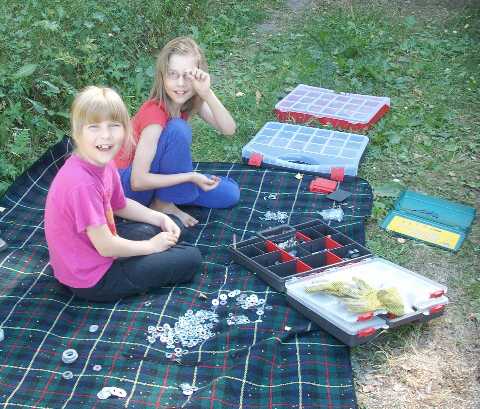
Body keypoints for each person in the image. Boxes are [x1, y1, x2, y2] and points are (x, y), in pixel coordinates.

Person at [44, 86, 201, 302]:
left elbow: (120, 205)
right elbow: (106, 247)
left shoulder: (103, 162)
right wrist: (151, 247)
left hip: (96, 248)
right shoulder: (81, 184)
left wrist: (160, 217)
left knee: (172, 226)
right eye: (94, 127)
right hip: (92, 278)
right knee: (191, 258)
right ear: (78, 133)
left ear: (126, 129)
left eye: (114, 125)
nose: (106, 135)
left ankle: (157, 245)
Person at [115, 36, 240, 227]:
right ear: (162, 77)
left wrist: (206, 93)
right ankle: (163, 204)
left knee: (230, 193)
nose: (180, 83)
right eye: (173, 74)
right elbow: (137, 181)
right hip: (126, 189)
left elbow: (229, 129)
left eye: (188, 75)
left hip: (157, 179)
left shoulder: (189, 102)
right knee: (177, 129)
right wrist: (190, 177)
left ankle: (168, 196)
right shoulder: (154, 113)